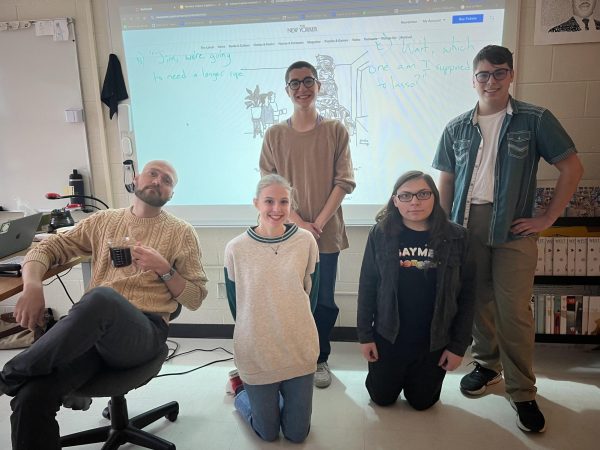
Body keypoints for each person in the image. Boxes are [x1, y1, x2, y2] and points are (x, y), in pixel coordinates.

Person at [0, 160, 209, 450]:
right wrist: (33, 284)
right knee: (30, 397)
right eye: (153, 174)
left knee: (101, 298)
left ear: (171, 194)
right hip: (93, 339)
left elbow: (196, 297)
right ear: (135, 179)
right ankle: (18, 381)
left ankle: (7, 376)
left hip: (143, 333)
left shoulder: (181, 233)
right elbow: (48, 247)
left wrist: (164, 269)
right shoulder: (104, 221)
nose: (158, 181)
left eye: (167, 180)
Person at [433, 45, 584, 433]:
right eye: (483, 74)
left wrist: (547, 217)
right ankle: (487, 364)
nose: (491, 81)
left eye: (499, 72)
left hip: (514, 225)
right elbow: (446, 179)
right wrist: (445, 227)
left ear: (511, 75)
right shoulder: (455, 128)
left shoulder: (534, 120)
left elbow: (572, 166)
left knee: (513, 309)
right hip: (468, 225)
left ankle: (522, 390)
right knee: (480, 300)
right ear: (473, 79)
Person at [259, 60, 356, 389]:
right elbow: (270, 185)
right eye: (295, 83)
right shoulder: (274, 135)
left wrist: (318, 223)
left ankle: (319, 358)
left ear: (318, 86)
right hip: (284, 234)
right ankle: (290, 356)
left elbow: (343, 182)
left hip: (326, 235)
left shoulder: (335, 131)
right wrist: (299, 222)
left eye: (308, 81)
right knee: (289, 297)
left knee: (323, 299)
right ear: (287, 90)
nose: (302, 88)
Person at [357, 171, 475, 411]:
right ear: (395, 201)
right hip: (389, 336)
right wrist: (365, 336)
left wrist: (457, 347)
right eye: (406, 195)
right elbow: (367, 285)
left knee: (423, 402)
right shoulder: (380, 234)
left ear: (434, 196)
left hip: (433, 340)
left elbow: (468, 296)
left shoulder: (458, 237)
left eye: (423, 194)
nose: (414, 202)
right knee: (382, 398)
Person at [224, 174, 320, 443]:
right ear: (256, 203)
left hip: (298, 347)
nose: (276, 209)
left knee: (297, 434)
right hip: (256, 349)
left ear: (291, 205)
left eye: (283, 202)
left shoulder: (306, 242)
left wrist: (292, 320)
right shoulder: (235, 248)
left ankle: (275, 396)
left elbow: (312, 295)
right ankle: (242, 392)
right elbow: (237, 304)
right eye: (269, 201)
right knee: (267, 433)